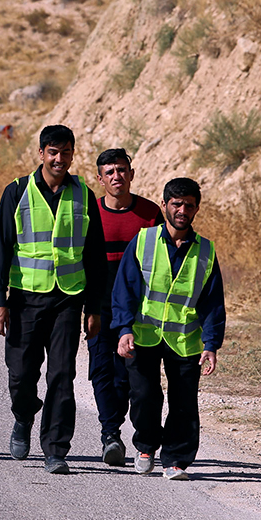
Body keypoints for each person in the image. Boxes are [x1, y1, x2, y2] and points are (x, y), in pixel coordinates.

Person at [0, 124, 106, 475]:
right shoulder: (17, 191)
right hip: (25, 297)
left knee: (62, 374)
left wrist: (94, 307)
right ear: (41, 154)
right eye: (53, 152)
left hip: (68, 298)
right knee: (21, 373)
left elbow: (95, 255)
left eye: (66, 152)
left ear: (72, 155)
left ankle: (55, 449)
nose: (59, 159)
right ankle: (23, 416)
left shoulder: (83, 193)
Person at [113, 177, 225, 481]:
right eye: (176, 203)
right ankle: (146, 446)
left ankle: (176, 459)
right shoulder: (144, 241)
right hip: (144, 335)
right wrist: (124, 329)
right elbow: (124, 289)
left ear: (197, 209)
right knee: (145, 395)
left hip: (185, 339)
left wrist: (211, 344)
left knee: (184, 402)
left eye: (189, 205)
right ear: (164, 205)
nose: (182, 210)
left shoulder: (206, 251)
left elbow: (213, 302)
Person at [89, 148, 163, 466]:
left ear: (131, 174)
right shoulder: (90, 214)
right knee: (101, 370)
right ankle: (110, 435)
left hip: (138, 306)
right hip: (99, 302)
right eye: (110, 172)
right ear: (100, 178)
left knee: (131, 376)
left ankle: (140, 438)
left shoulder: (149, 213)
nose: (117, 176)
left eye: (122, 170)